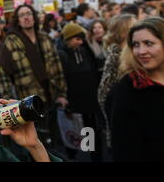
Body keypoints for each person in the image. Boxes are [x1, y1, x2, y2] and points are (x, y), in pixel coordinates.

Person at [0, 4, 68, 148]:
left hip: (51, 95)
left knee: (54, 136)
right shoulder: (11, 41)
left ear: (34, 18)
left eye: (28, 13)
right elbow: (3, 73)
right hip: (28, 101)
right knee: (37, 141)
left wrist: (61, 93)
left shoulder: (45, 37)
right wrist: (8, 104)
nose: (26, 17)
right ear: (18, 20)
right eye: (22, 15)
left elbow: (57, 66)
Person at [111, 17, 164, 161]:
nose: (141, 51)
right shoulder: (127, 88)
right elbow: (123, 147)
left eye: (148, 43)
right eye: (135, 45)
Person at [58, 23, 103, 161]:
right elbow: (60, 77)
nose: (81, 42)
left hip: (89, 98)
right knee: (75, 128)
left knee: (90, 127)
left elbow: (94, 68)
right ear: (69, 39)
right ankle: (73, 153)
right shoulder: (61, 54)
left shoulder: (84, 50)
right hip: (74, 99)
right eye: (77, 39)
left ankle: (94, 154)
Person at [97, 14, 136, 148]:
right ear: (124, 32)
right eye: (134, 26)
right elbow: (103, 93)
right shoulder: (115, 56)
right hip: (125, 123)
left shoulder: (132, 51)